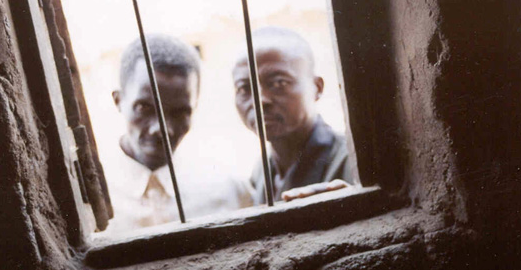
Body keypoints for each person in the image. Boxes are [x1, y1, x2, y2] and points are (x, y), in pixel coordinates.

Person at [105, 33, 253, 234]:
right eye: (144, 108)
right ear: (118, 101)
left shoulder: (229, 190)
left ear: (195, 108)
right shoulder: (89, 202)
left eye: (179, 112)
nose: (162, 129)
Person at [232, 27, 355, 203]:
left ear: (316, 88)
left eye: (278, 83)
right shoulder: (262, 171)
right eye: (244, 88)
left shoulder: (352, 164)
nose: (260, 101)